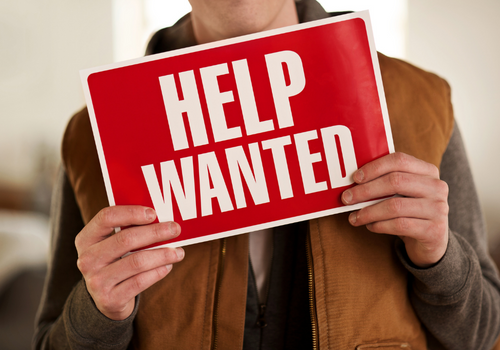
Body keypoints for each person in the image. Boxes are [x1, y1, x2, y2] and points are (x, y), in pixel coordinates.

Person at [34, 0, 500, 349]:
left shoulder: (422, 101)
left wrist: (439, 259)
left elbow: (485, 335)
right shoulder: (91, 135)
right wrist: (99, 312)